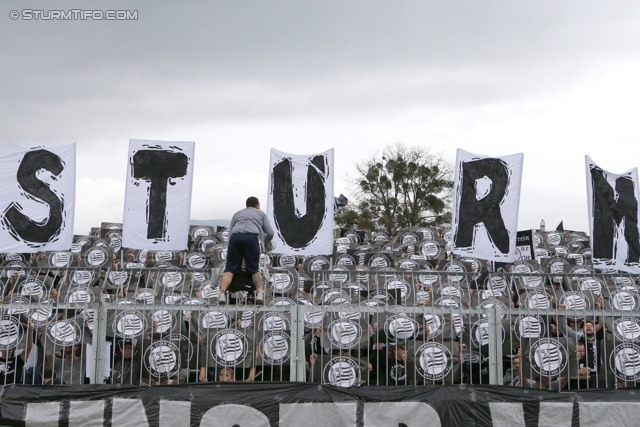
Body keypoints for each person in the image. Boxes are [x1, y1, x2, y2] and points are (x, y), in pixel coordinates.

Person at [218, 197, 274, 305]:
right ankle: (259, 294)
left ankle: (222, 294)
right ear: (258, 205)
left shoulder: (237, 213)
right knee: (254, 268)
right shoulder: (261, 214)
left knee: (229, 268)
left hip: (235, 238)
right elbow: (270, 232)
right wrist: (265, 241)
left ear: (246, 205)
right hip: (251, 237)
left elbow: (230, 233)